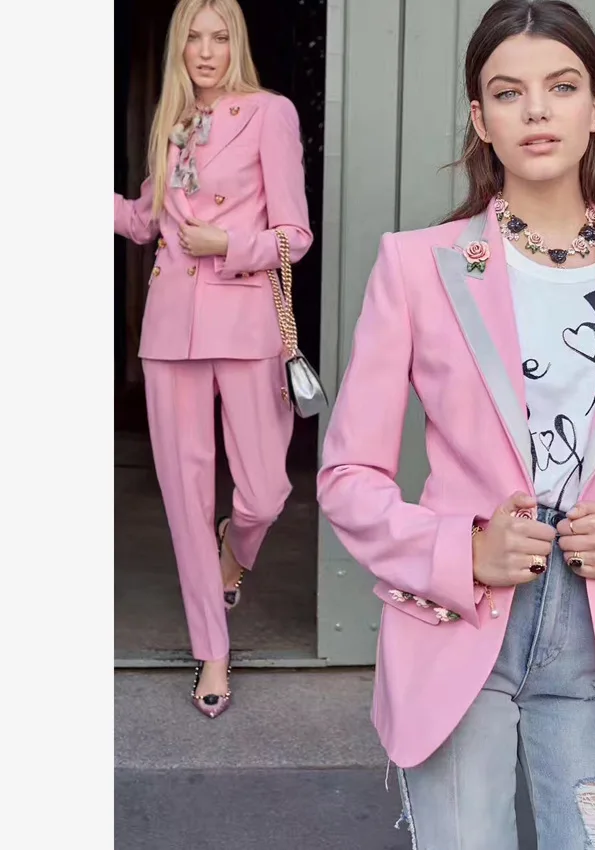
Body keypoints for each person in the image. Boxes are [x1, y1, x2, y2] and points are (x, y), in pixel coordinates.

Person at [316, 0, 595, 845]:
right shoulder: (416, 267)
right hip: (457, 621)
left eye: (561, 87)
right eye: (508, 92)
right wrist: (461, 551)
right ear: (480, 119)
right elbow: (348, 478)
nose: (536, 110)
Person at [114, 0, 312, 718]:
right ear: (179, 46)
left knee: (264, 492)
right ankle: (213, 650)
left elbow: (294, 236)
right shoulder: (172, 123)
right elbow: (144, 220)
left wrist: (227, 244)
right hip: (171, 332)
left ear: (237, 42)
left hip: (246, 322)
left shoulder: (270, 113)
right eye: (193, 37)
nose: (205, 50)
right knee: (185, 499)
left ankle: (237, 548)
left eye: (219, 36)